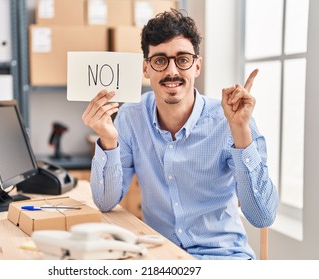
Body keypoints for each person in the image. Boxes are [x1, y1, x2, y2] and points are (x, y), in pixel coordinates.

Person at [82, 9, 278, 260]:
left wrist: (240, 132)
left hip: (223, 258)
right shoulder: (131, 117)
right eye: (160, 60)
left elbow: (263, 216)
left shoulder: (231, 119)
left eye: (182, 59)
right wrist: (108, 140)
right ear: (146, 68)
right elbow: (105, 202)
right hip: (162, 258)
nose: (171, 71)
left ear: (197, 66)